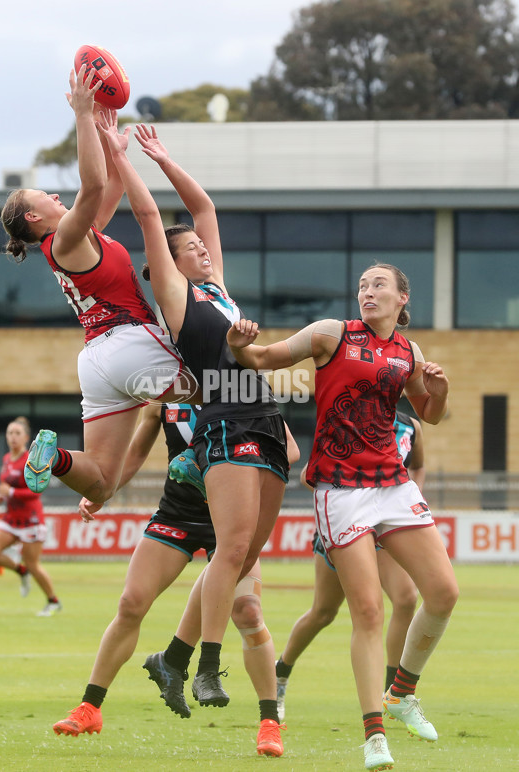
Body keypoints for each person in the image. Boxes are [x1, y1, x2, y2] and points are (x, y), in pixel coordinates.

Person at [84, 118, 290, 709]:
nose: (201, 246)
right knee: (230, 551)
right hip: (225, 418)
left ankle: (170, 658)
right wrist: (122, 161)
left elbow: (204, 208)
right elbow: (152, 220)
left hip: (266, 416)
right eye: (190, 248)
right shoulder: (179, 297)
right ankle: (206, 668)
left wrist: (164, 158)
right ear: (169, 266)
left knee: (245, 554)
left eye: (201, 245)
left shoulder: (220, 287)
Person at [226, 263, 459, 771]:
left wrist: (438, 390)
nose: (367, 292)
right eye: (362, 285)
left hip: (393, 484)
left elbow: (430, 414)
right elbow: (262, 358)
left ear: (402, 298)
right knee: (367, 612)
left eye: (379, 285)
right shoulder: (331, 334)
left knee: (443, 593)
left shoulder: (409, 352)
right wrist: (239, 342)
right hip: (340, 490)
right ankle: (374, 736)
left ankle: (402, 693)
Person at [0, 66, 197, 508]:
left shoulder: (84, 234)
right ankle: (196, 461)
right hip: (129, 344)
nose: (54, 196)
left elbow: (105, 187)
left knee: (102, 483)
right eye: (44, 198)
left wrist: (113, 144)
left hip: (98, 361)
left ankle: (56, 459)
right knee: (227, 389)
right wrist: (83, 116)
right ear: (34, 219)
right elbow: (90, 185)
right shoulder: (63, 239)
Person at [53, 402, 298, 756]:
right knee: (130, 603)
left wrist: (219, 462)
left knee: (248, 612)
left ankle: (269, 724)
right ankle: (89, 708)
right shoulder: (164, 399)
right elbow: (135, 453)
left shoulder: (243, 391)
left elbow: (288, 449)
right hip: (177, 515)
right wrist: (101, 493)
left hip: (232, 521)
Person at [275, 411, 425, 722]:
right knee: (323, 613)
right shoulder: (348, 421)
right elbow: (307, 476)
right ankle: (280, 673)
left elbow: (417, 466)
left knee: (407, 598)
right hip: (346, 527)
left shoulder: (411, 427)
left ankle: (394, 694)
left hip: (384, 530)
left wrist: (410, 499)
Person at [0, 417, 62, 617]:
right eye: (10, 433)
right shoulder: (6, 459)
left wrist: (10, 493)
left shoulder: (32, 459)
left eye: (17, 433)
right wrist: (1, 496)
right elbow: (6, 487)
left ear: (26, 437)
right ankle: (20, 571)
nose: (13, 437)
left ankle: (53, 601)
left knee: (34, 564)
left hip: (31, 520)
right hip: (11, 519)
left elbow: (36, 491)